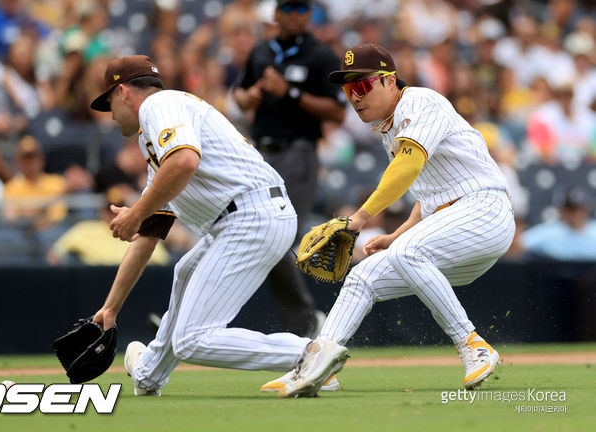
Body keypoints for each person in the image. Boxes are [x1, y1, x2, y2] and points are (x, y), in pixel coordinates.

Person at [266, 43, 516, 398]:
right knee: (362, 277)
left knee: (407, 252)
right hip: (455, 229)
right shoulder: (390, 126)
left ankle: (472, 344)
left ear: (388, 81)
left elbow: (408, 166)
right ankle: (317, 366)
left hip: (485, 212)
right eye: (348, 89)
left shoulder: (419, 102)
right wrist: (398, 233)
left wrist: (360, 218)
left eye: (363, 85)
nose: (355, 96)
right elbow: (427, 193)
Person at [89, 55, 321, 396]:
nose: (108, 113)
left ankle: (308, 354)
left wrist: (135, 212)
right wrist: (111, 307)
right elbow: (150, 234)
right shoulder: (158, 135)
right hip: (246, 216)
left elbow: (184, 161)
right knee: (185, 271)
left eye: (108, 100)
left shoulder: (159, 105)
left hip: (250, 215)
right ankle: (149, 373)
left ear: (123, 91)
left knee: (192, 340)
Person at [233, 0, 346, 337]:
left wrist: (291, 93)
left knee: (276, 239)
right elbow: (239, 93)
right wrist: (248, 97)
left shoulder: (320, 55)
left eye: (301, 9)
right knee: (259, 238)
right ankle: (308, 322)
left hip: (298, 153)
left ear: (309, 15)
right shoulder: (262, 51)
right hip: (260, 155)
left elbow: (338, 113)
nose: (295, 15)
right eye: (289, 8)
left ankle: (306, 324)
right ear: (277, 14)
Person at [521, 187, 596, 261]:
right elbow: (518, 244)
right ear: (561, 211)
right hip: (555, 271)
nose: (574, 214)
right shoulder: (548, 231)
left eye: (577, 209)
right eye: (569, 209)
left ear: (586, 209)